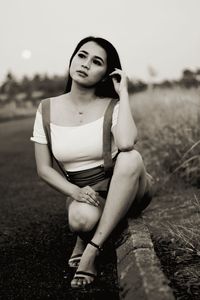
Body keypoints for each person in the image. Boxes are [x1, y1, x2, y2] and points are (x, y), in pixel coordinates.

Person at [30, 36, 154, 289]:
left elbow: (127, 143)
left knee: (131, 157)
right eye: (82, 55)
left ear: (106, 74)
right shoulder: (46, 109)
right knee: (79, 220)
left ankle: (91, 249)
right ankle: (87, 233)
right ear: (72, 58)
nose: (85, 64)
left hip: (127, 185)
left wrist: (124, 94)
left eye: (96, 61)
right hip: (86, 192)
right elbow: (44, 169)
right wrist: (75, 192)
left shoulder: (112, 105)